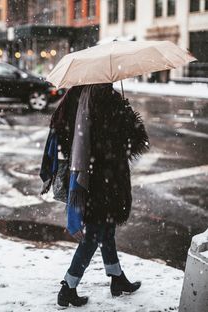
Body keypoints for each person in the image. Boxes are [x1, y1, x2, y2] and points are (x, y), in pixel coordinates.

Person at [40, 83, 149, 307]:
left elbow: (66, 136)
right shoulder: (107, 99)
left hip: (89, 177)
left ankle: (116, 277)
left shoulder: (75, 98)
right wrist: (128, 114)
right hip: (105, 180)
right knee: (93, 235)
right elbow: (136, 140)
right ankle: (68, 286)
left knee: (105, 229)